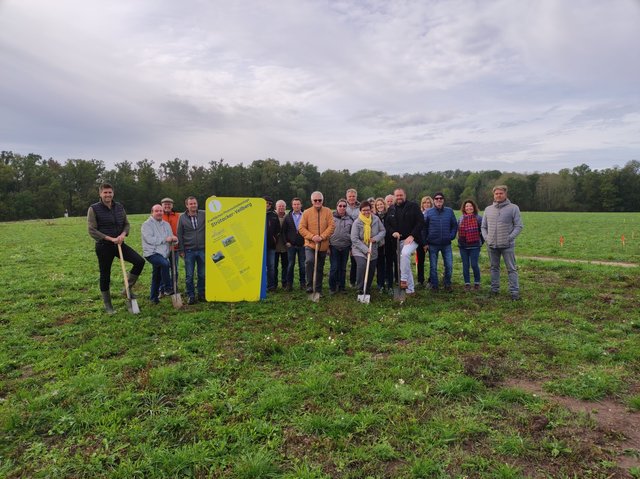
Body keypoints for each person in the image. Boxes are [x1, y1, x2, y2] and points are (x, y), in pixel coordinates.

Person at [87, 183, 145, 314]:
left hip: (119, 244)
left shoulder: (119, 207)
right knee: (105, 275)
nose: (108, 195)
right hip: (104, 247)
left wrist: (123, 235)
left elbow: (126, 224)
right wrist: (110, 238)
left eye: (110, 192)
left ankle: (127, 289)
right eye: (105, 192)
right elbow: (92, 230)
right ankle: (108, 305)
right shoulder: (94, 209)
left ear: (113, 193)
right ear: (100, 194)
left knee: (139, 261)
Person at [481, 185, 524, 300]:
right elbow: (483, 227)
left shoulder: (513, 208)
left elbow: (519, 226)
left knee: (511, 269)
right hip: (492, 245)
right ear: (493, 195)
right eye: (496, 193)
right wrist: (487, 238)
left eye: (501, 193)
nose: (498, 195)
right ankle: (494, 290)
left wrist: (509, 238)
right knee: (494, 268)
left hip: (507, 246)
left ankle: (514, 293)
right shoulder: (488, 209)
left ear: (505, 194)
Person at [385, 189, 424, 295]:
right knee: (405, 262)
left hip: (412, 239)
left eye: (401, 195)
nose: (399, 197)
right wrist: (393, 232)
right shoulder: (391, 209)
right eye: (397, 195)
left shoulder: (413, 206)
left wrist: (412, 235)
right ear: (394, 196)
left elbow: (421, 222)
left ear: (405, 195)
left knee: (405, 254)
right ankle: (410, 290)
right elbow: (387, 224)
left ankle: (403, 279)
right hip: (398, 241)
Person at [298, 191, 335, 294]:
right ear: (312, 201)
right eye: (315, 200)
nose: (318, 202)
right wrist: (312, 237)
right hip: (310, 244)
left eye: (320, 200)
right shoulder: (306, 212)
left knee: (319, 267)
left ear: (322, 200)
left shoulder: (328, 212)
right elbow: (301, 227)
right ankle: (309, 285)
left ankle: (318, 289)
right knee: (309, 261)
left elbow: (331, 226)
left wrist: (322, 237)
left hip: (323, 245)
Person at [141, 204, 178, 304]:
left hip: (163, 253)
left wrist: (175, 239)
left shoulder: (166, 224)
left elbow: (171, 237)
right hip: (151, 253)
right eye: (156, 211)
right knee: (165, 264)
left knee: (156, 275)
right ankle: (167, 288)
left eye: (161, 211)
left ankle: (153, 298)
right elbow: (149, 239)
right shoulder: (146, 225)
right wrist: (165, 239)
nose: (159, 213)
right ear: (152, 212)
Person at [423, 192, 458, 292]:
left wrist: (451, 236)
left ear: (443, 200)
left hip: (446, 244)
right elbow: (424, 228)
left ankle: (447, 284)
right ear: (434, 201)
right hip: (433, 244)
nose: (439, 200)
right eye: (436, 199)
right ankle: (434, 285)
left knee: (449, 265)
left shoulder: (449, 211)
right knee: (433, 266)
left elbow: (454, 225)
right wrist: (425, 242)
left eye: (441, 198)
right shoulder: (428, 212)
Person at [351, 200, 386, 294]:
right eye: (364, 210)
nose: (366, 212)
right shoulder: (357, 222)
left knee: (371, 269)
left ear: (371, 210)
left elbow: (383, 231)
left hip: (373, 248)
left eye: (368, 210)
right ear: (360, 211)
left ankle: (367, 287)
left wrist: (375, 238)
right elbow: (354, 239)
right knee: (362, 265)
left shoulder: (375, 219)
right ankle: (360, 287)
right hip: (359, 249)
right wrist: (366, 249)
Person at [177, 196, 206, 304]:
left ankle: (201, 294)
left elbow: (216, 211)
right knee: (189, 275)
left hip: (202, 249)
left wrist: (214, 200)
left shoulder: (204, 214)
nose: (193, 205)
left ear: (197, 204)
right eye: (191, 204)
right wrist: (181, 250)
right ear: (187, 205)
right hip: (189, 251)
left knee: (202, 274)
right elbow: (179, 234)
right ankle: (191, 295)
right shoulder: (182, 218)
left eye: (195, 203)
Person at [329, 198, 354, 293]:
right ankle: (332, 287)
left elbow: (353, 233)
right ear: (337, 207)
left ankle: (341, 287)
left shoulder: (350, 219)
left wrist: (352, 248)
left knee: (343, 268)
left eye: (344, 206)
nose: (342, 208)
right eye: (340, 206)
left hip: (345, 246)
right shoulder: (331, 218)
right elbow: (327, 232)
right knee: (334, 267)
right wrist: (327, 246)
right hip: (334, 246)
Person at [458, 199, 483, 291]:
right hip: (463, 246)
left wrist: (481, 242)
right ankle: (467, 283)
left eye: (470, 206)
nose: (469, 208)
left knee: (474, 264)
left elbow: (483, 231)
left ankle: (477, 283)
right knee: (465, 265)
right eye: (467, 206)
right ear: (464, 208)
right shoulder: (460, 218)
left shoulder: (479, 218)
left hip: (475, 245)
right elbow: (458, 231)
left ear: (474, 207)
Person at [282, 197, 306, 291]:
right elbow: (283, 231)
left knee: (302, 265)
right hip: (291, 246)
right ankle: (289, 284)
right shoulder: (288, 217)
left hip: (302, 245)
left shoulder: (305, 215)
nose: (296, 206)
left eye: (298, 204)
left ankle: (303, 283)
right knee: (290, 265)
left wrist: (306, 242)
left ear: (301, 205)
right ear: (292, 205)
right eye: (294, 204)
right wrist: (286, 242)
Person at [160, 197, 180, 296]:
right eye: (165, 204)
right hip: (162, 249)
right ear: (162, 205)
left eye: (169, 204)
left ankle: (174, 287)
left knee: (174, 268)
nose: (167, 206)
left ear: (172, 205)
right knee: (162, 268)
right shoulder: (159, 215)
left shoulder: (177, 216)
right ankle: (162, 289)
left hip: (175, 248)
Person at [264, 196, 281, 292]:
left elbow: (278, 230)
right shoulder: (255, 213)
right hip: (258, 247)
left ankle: (271, 286)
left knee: (271, 266)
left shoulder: (274, 215)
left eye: (269, 203)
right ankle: (261, 285)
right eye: (265, 203)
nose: (267, 205)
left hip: (271, 246)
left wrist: (275, 239)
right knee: (260, 267)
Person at [416, 196, 434, 287]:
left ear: (431, 204)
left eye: (428, 203)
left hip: (431, 241)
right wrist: (423, 243)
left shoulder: (434, 213)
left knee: (432, 261)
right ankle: (420, 280)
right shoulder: (419, 214)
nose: (426, 204)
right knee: (420, 261)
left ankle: (431, 280)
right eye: (424, 203)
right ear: (422, 204)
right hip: (420, 241)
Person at [345, 188, 360, 288]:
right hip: (345, 236)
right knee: (343, 261)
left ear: (356, 197)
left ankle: (353, 281)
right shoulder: (343, 206)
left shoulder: (360, 207)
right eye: (350, 196)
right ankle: (339, 282)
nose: (351, 198)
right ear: (347, 197)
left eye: (353, 196)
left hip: (357, 236)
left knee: (355, 260)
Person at [274, 200, 289, 290]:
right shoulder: (272, 216)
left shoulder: (288, 217)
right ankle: (274, 284)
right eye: (279, 206)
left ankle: (284, 283)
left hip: (285, 246)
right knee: (274, 266)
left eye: (283, 206)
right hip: (274, 247)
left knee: (285, 266)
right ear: (276, 207)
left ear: (285, 207)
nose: (281, 208)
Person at [373, 198, 388, 291]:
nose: (379, 206)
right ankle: (380, 283)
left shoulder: (389, 215)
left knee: (388, 263)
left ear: (384, 205)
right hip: (379, 243)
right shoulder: (374, 217)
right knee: (380, 264)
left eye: (381, 204)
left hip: (389, 242)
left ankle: (388, 281)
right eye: (377, 205)